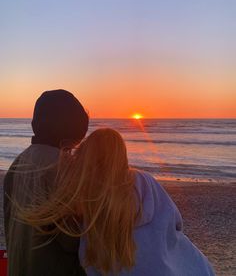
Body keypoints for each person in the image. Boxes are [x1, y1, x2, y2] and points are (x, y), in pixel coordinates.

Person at [18, 128, 215, 276]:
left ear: (87, 155)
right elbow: (176, 222)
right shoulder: (145, 181)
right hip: (184, 266)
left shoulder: (84, 190)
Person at [3, 89, 89, 276]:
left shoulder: (18, 162)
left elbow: (10, 223)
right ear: (73, 130)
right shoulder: (62, 168)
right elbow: (73, 239)